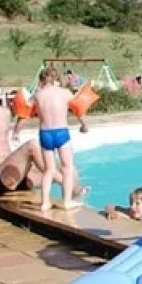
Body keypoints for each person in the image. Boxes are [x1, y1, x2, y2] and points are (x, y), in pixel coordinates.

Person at [32, 66, 87, 212]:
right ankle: (67, 201)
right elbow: (78, 110)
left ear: (43, 80)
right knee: (67, 168)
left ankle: (44, 203)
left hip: (45, 133)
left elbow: (31, 111)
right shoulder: (65, 93)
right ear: (57, 79)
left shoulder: (38, 95)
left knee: (49, 170)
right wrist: (84, 125)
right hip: (61, 132)